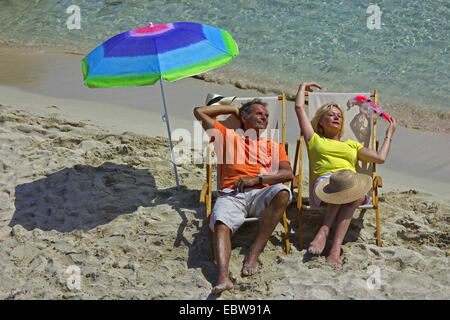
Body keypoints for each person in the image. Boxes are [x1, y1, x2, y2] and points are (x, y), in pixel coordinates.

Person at [194, 98, 293, 294]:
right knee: (221, 221)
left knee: (283, 192)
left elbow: (288, 174)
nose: (264, 118)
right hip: (232, 194)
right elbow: (199, 111)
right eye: (258, 113)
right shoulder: (227, 136)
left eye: (266, 115)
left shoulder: (274, 145)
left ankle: (253, 253)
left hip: (260, 192)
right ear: (244, 117)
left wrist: (256, 179)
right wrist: (234, 108)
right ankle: (223, 277)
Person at [294, 82, 397, 269]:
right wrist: (302, 88)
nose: (336, 117)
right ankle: (332, 246)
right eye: (331, 114)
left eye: (339, 116)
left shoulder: (352, 145)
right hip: (324, 187)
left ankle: (328, 237)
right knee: (340, 185)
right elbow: (299, 107)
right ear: (321, 122)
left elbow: (380, 158)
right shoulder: (313, 138)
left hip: (352, 187)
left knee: (351, 189)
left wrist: (389, 134)